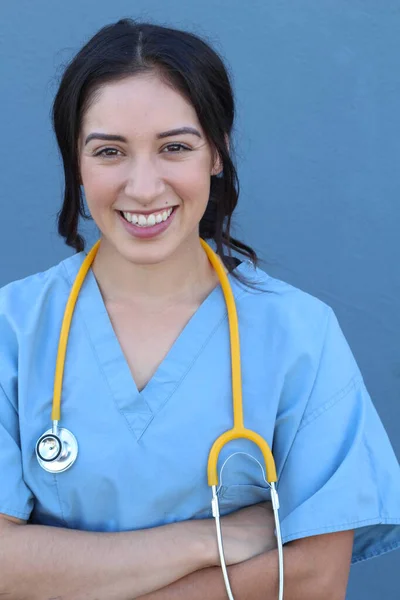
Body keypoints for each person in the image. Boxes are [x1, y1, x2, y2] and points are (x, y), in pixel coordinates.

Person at [0, 17, 399, 600]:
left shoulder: (298, 335)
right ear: (76, 163)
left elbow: (315, 578)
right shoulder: (13, 327)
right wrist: (208, 541)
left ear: (217, 151)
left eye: (175, 147)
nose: (142, 186)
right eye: (109, 151)